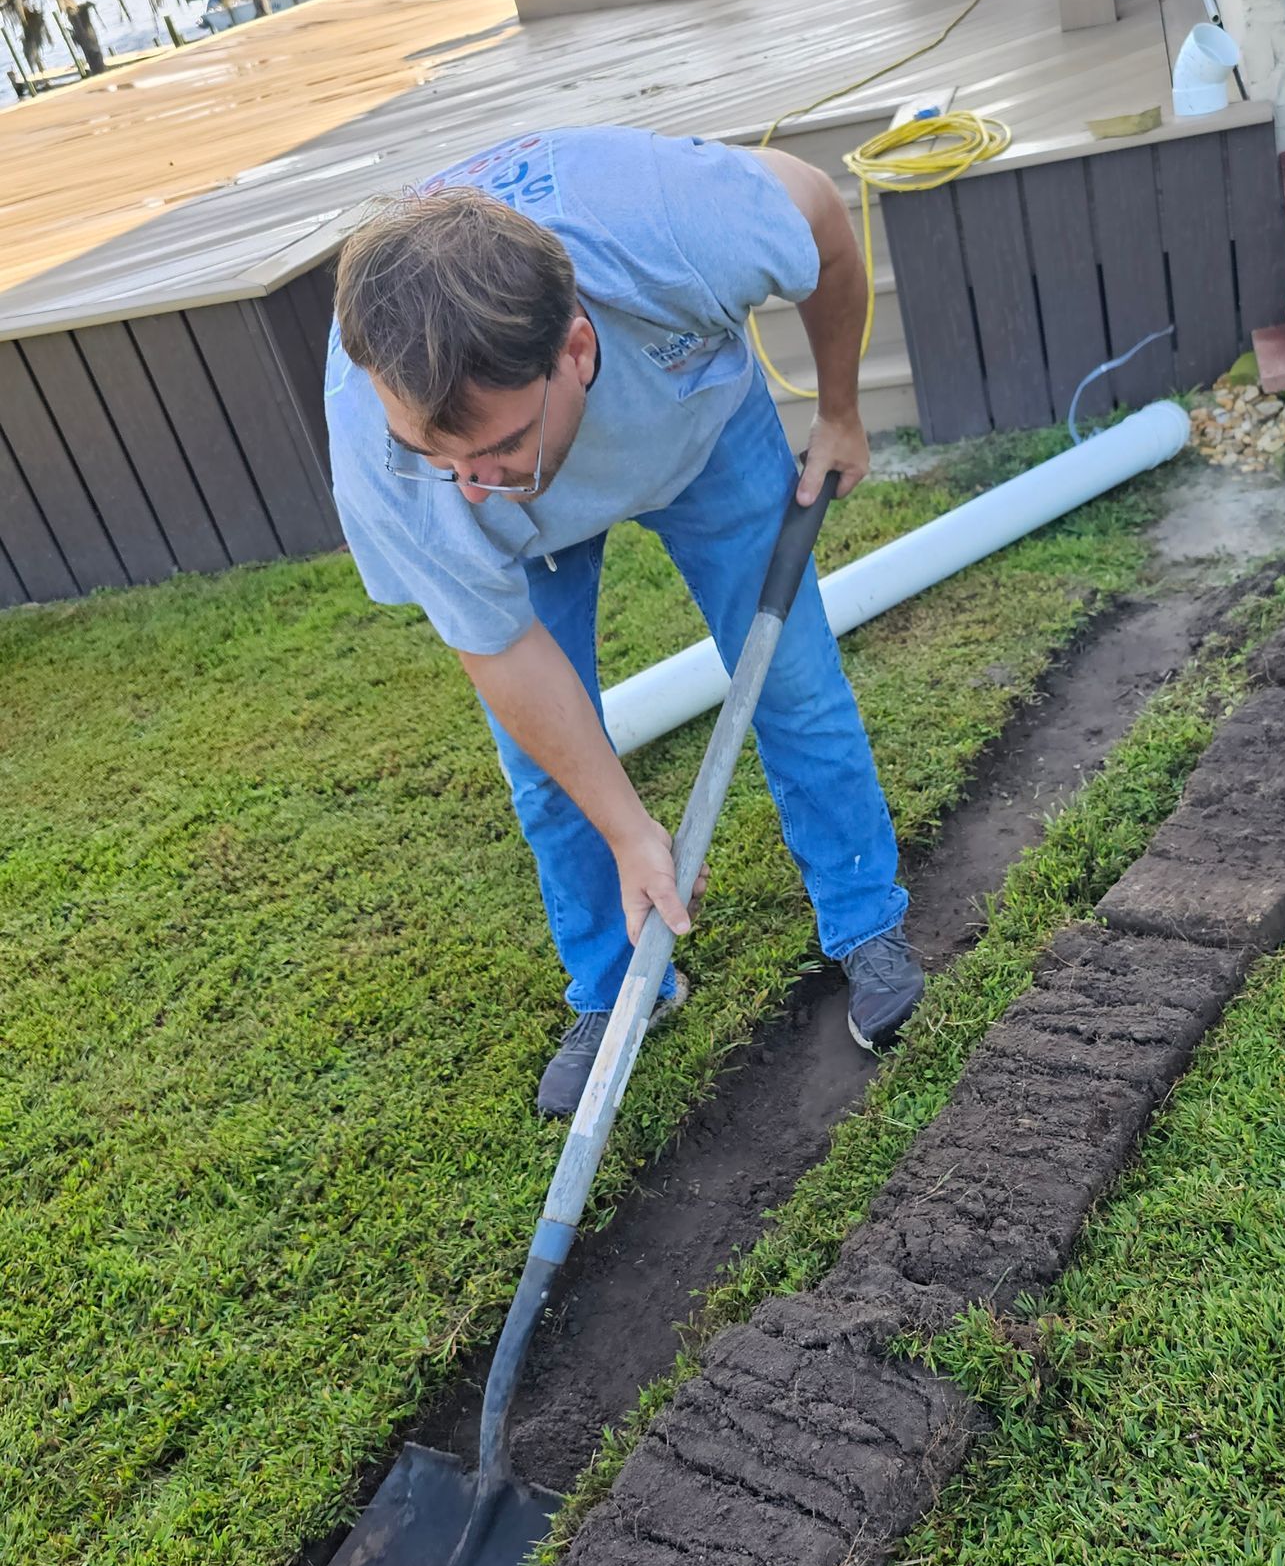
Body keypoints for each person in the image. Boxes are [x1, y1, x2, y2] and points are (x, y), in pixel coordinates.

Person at [323, 125, 924, 1118]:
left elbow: (821, 216)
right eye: (442, 459)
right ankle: (612, 991)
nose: (473, 490)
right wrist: (629, 827)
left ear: (577, 347)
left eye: (499, 444)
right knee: (545, 768)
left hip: (699, 427)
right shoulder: (392, 452)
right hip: (541, 534)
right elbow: (503, 652)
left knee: (793, 677)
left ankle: (865, 919)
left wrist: (843, 411)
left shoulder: (678, 224)